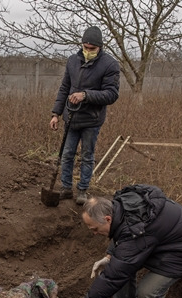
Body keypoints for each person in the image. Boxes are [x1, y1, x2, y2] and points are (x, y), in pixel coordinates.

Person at [49, 26, 120, 205]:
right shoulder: (72, 61)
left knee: (87, 155)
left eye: (92, 49)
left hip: (92, 119)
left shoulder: (110, 65)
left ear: (99, 47)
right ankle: (66, 188)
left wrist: (86, 95)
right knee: (67, 154)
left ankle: (82, 189)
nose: (88, 51)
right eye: (85, 47)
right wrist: (56, 113)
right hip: (71, 117)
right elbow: (65, 88)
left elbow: (111, 94)